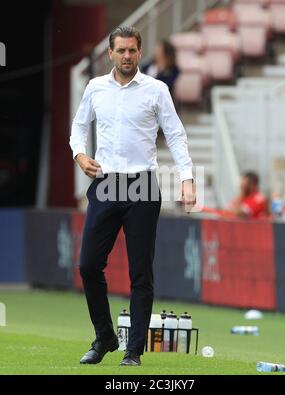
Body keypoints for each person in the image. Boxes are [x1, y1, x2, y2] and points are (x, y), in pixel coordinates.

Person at [69, 26, 196, 367]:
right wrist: (80, 155)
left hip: (142, 184)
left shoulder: (156, 90)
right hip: (106, 182)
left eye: (132, 50)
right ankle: (105, 336)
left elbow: (175, 134)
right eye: (120, 50)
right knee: (89, 265)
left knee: (141, 272)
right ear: (110, 53)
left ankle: (133, 351)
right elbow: (79, 127)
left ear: (140, 53)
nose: (126, 56)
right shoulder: (95, 88)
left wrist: (187, 179)